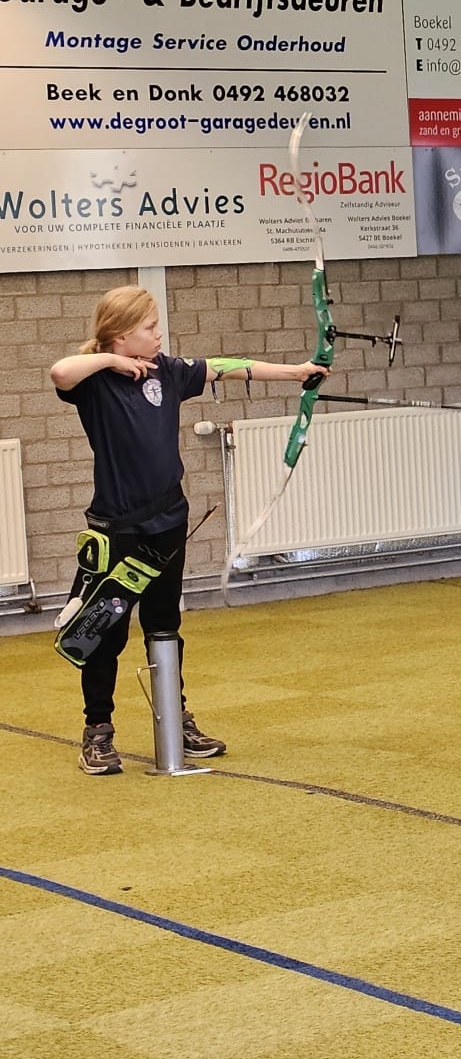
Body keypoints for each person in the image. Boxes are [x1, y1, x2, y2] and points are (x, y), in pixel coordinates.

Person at [49, 286, 320, 774]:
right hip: (118, 529)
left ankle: (176, 721)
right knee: (103, 631)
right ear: (120, 334)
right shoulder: (95, 381)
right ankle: (98, 731)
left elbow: (226, 367)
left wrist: (297, 372)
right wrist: (110, 360)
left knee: (164, 625)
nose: (159, 335)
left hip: (168, 522)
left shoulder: (168, 371)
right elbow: (60, 372)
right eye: (149, 328)